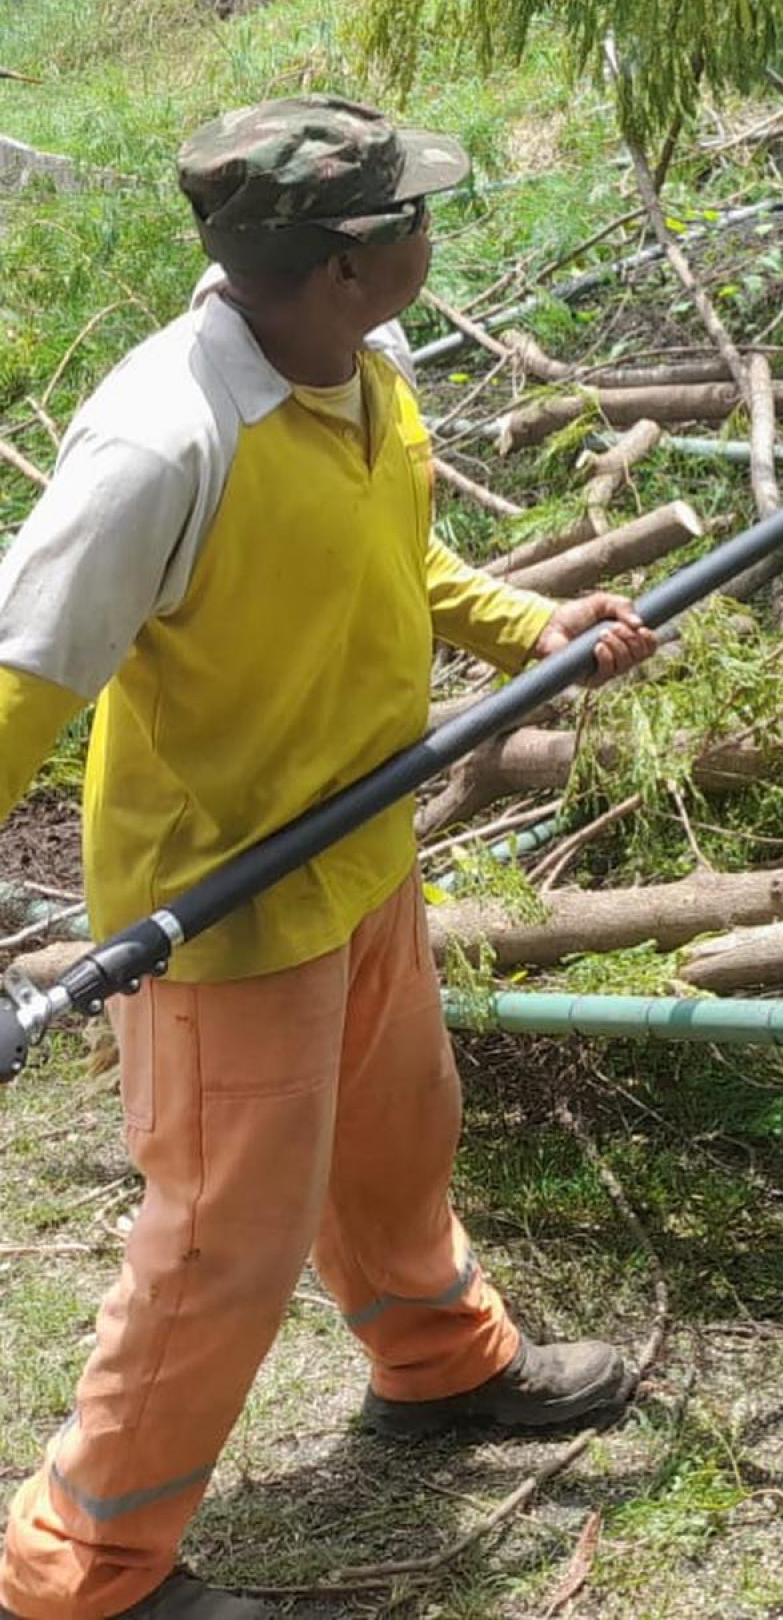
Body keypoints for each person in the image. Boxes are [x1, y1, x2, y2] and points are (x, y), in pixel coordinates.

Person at [0, 97, 655, 1620]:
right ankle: (78, 1570)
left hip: (361, 850)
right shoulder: (165, 440)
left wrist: (525, 625)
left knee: (395, 1139)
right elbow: (23, 678)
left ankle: (435, 1366)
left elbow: (395, 553)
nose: (436, 237)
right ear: (346, 263)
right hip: (222, 907)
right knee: (226, 1238)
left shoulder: (362, 364)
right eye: (415, 219)